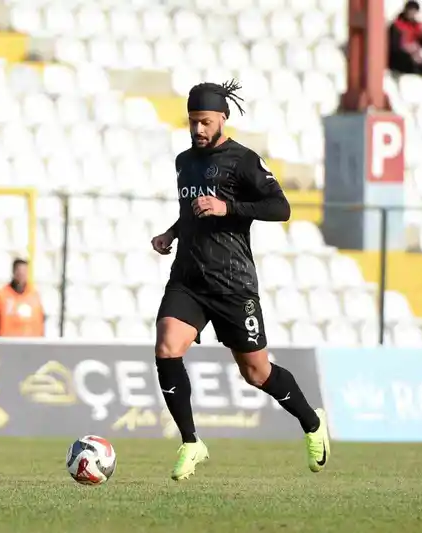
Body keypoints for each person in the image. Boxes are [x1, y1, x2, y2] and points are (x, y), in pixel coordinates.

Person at [149, 80, 330, 481]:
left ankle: (311, 422)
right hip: (188, 279)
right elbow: (194, 211)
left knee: (256, 373)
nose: (198, 130)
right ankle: (191, 442)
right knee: (166, 347)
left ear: (222, 120)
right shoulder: (184, 162)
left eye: (205, 122)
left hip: (232, 283)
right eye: (193, 122)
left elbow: (279, 207)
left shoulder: (243, 160)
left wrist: (227, 206)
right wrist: (172, 233)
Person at [0, 258, 44, 337]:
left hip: (31, 344)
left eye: (24, 272)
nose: (22, 275)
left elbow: (41, 320)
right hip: (7, 344)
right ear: (14, 272)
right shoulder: (1, 295)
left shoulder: (35, 295)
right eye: (19, 272)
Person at [388, 1, 422, 77]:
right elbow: (394, 47)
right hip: (401, 58)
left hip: (415, 59)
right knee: (408, 62)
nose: (412, 13)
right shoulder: (396, 25)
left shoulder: (416, 26)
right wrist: (410, 52)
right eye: (410, 10)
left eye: (414, 11)